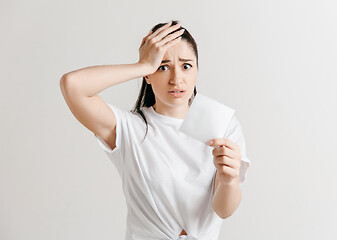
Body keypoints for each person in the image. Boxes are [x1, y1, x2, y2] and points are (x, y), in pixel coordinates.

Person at [60, 20, 251, 240]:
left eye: (186, 66)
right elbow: (71, 85)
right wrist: (142, 65)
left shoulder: (221, 123)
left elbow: (223, 210)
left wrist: (229, 179)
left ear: (197, 69)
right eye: (163, 66)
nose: (176, 79)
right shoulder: (129, 128)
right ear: (148, 75)